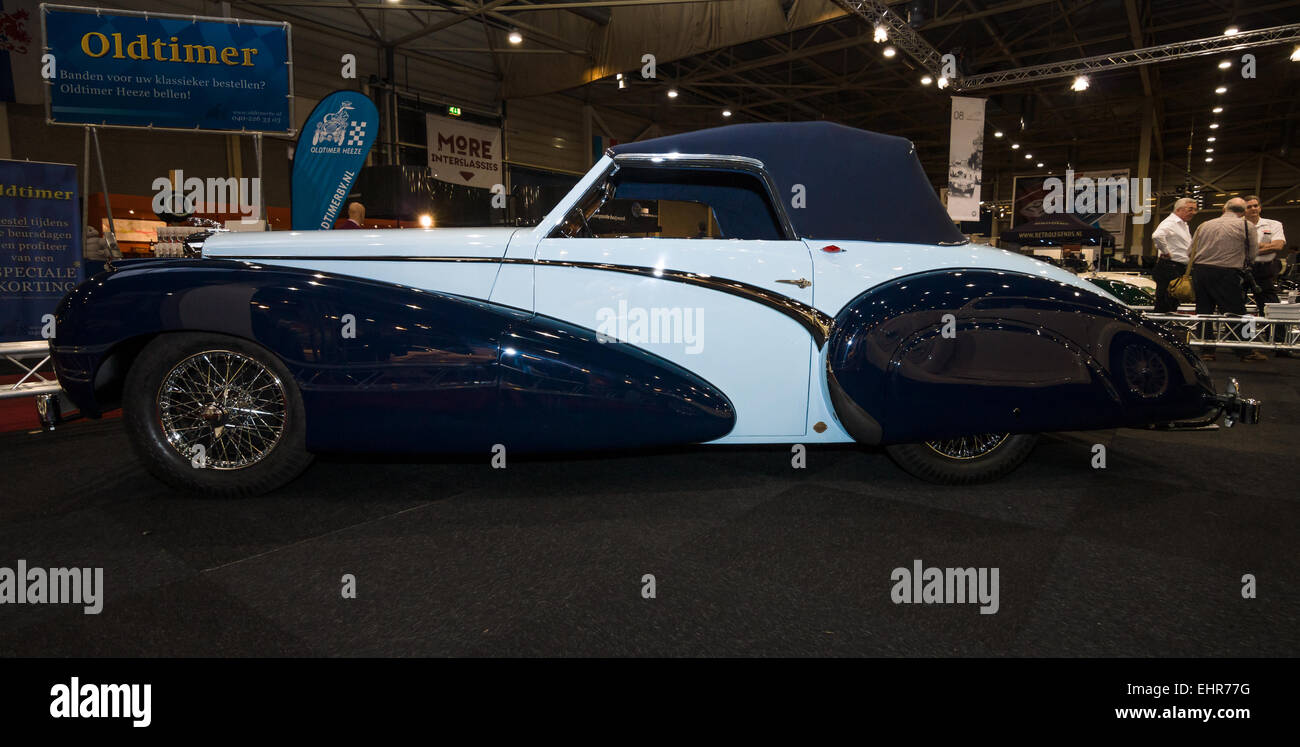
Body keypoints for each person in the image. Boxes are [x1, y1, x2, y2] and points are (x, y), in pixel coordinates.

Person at [1188, 197, 1264, 361]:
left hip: (1200, 271)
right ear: (1243, 212)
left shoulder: (1204, 225)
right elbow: (1252, 253)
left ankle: (1206, 350)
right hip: (1227, 272)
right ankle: (1245, 351)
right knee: (1237, 312)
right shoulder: (1246, 225)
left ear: (1224, 209)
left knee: (1204, 311)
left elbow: (1190, 251)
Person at [1150, 197, 1197, 312]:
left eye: (1195, 210)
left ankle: (1168, 326)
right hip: (1169, 267)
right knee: (1165, 303)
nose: (1193, 213)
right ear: (1179, 209)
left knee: (1172, 302)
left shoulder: (1184, 225)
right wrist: (1166, 252)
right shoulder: (1171, 222)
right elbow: (1157, 236)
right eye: (1190, 209)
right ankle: (1160, 327)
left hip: (1177, 268)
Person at [1244, 195, 1287, 305]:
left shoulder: (1274, 224)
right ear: (1244, 210)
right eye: (1249, 207)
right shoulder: (1237, 226)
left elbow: (1278, 246)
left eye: (1255, 205)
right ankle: (1240, 323)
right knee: (1236, 304)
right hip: (1241, 268)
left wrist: (1250, 250)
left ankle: (1273, 323)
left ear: (1260, 208)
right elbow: (1235, 249)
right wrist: (1265, 246)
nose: (1253, 208)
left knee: (1269, 304)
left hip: (1264, 268)